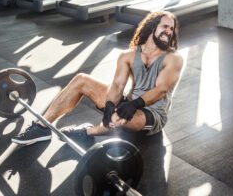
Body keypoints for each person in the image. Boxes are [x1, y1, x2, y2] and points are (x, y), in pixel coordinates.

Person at [11, 11, 184, 145]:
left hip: (151, 114)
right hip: (128, 105)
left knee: (121, 119)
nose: (169, 32)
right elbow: (117, 85)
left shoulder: (173, 59)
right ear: (152, 26)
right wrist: (110, 104)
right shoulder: (128, 55)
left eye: (171, 28)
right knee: (81, 80)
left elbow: (161, 90)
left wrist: (134, 104)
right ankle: (41, 127)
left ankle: (88, 132)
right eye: (165, 26)